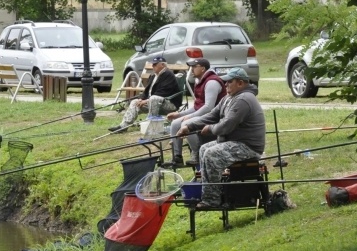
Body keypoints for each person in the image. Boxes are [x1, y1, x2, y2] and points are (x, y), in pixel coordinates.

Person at [176, 67, 265, 208]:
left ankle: (211, 200)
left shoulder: (244, 99)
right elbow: (212, 115)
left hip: (248, 147)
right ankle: (210, 193)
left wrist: (210, 129)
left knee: (212, 154)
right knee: (204, 149)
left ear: (240, 83)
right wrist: (190, 126)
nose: (225, 85)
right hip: (234, 143)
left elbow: (227, 124)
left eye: (229, 82)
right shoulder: (228, 98)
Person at [162, 58, 226, 167]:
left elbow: (208, 107)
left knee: (186, 124)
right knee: (175, 123)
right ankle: (177, 157)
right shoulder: (200, 82)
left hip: (215, 117)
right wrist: (179, 114)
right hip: (205, 114)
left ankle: (196, 153)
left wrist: (190, 117)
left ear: (203, 68)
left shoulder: (211, 82)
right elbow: (198, 106)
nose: (191, 69)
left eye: (194, 67)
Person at [108, 56, 183, 133]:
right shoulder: (153, 75)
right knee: (135, 102)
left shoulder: (168, 74)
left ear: (163, 65)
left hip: (170, 104)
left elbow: (164, 92)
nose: (153, 66)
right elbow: (147, 91)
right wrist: (142, 99)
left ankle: (151, 126)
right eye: (152, 64)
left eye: (155, 64)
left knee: (154, 99)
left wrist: (146, 101)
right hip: (153, 102)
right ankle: (123, 127)